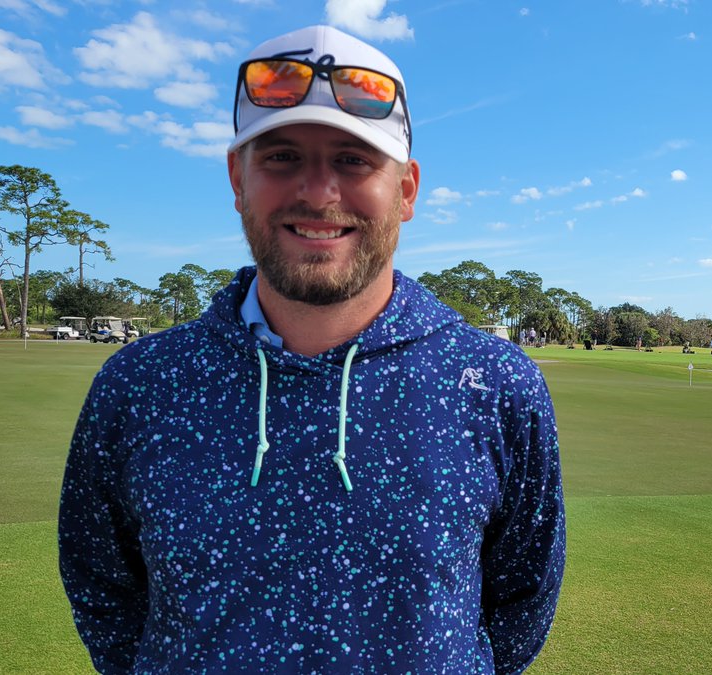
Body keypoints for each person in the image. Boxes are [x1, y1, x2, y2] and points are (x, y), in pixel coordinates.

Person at [58, 25, 565, 675]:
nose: (319, 192)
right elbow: (104, 593)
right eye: (281, 157)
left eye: (353, 160)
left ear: (407, 190)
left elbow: (520, 605)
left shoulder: (496, 384)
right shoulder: (139, 383)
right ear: (237, 179)